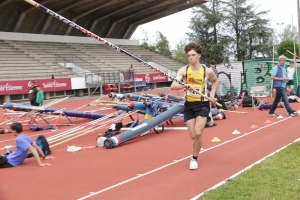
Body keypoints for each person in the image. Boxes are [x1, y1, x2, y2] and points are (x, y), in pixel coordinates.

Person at [171, 42, 218, 170]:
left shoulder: (206, 71)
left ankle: (194, 158)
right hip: (189, 104)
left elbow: (215, 80)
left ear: (199, 55)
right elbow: (173, 86)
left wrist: (212, 95)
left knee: (198, 133)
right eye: (189, 55)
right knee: (192, 135)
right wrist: (185, 85)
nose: (190, 57)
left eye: (193, 55)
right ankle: (197, 145)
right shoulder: (184, 70)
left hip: (202, 103)